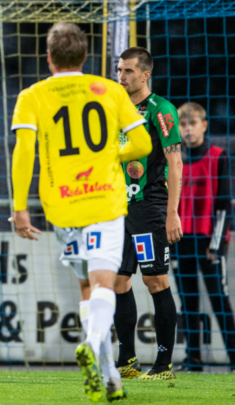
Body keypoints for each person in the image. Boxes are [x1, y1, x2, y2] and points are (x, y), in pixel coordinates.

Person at [10, 22, 151, 402]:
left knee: (87, 287)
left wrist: (19, 207)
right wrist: (110, 153)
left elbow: (24, 153)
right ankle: (93, 344)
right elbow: (142, 143)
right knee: (104, 283)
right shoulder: (110, 90)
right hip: (104, 200)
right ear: (86, 57)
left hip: (62, 205)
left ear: (49, 58)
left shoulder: (33, 95)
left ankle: (109, 377)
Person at [113, 47, 182, 381]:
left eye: (128, 71)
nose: (121, 76)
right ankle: (127, 361)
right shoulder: (117, 109)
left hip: (150, 205)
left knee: (155, 280)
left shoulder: (161, 109)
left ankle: (164, 364)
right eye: (119, 70)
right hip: (117, 208)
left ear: (145, 74)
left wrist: (172, 213)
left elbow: (175, 162)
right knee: (117, 280)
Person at [173, 102, 235, 371]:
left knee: (219, 300)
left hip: (209, 240)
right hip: (181, 239)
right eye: (183, 124)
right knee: (187, 303)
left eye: (193, 123)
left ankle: (233, 358)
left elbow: (224, 204)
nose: (188, 129)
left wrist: (217, 245)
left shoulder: (217, 156)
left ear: (204, 125)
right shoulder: (174, 158)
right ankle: (193, 359)